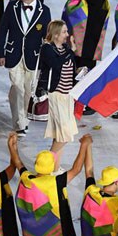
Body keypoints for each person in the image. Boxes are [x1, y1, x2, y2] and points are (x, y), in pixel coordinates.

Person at [54, 0, 110, 115]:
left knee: (84, 74)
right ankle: (75, 103)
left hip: (88, 42)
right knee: (75, 73)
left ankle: (88, 104)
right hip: (76, 39)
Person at [0, 0, 51, 136]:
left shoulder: (44, 10)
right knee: (17, 88)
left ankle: (24, 119)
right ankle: (19, 123)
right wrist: (0, 52)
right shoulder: (12, 6)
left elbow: (46, 36)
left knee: (28, 90)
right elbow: (2, 30)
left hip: (33, 57)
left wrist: (47, 59)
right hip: (13, 55)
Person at [37, 20, 78, 170]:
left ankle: (54, 168)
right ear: (55, 35)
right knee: (65, 134)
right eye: (64, 32)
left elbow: (70, 68)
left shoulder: (66, 48)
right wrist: (71, 51)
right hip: (55, 95)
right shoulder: (47, 49)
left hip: (68, 96)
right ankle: (45, 163)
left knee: (60, 135)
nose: (67, 35)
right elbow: (56, 64)